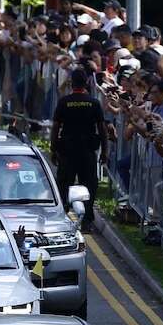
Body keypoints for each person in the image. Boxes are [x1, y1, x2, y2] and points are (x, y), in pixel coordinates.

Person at [50, 69, 109, 232]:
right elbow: (102, 129)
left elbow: (56, 128)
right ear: (87, 84)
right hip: (87, 151)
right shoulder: (93, 103)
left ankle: (62, 216)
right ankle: (87, 221)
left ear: (71, 83)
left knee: (64, 184)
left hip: (67, 151)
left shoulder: (64, 102)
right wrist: (105, 151)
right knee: (89, 186)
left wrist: (53, 149)